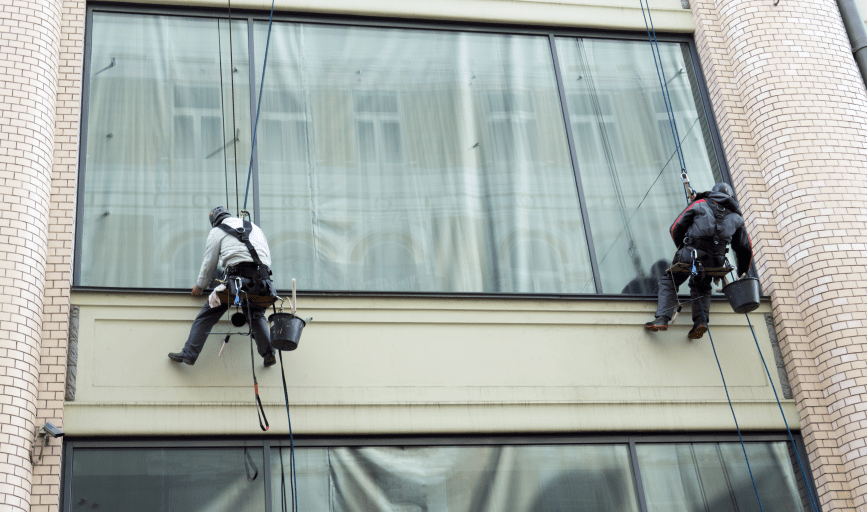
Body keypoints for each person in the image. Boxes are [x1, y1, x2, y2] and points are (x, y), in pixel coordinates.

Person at [169, 206, 278, 366]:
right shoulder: (254, 227)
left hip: (237, 284)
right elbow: (266, 257)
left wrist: (199, 286)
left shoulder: (217, 231)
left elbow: (209, 265)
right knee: (255, 315)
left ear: (214, 222)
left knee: (206, 316)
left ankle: (189, 354)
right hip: (263, 283)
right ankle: (268, 354)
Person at [644, 182, 752, 339]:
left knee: (670, 280)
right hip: (716, 261)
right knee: (702, 285)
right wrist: (743, 273)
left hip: (690, 253)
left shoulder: (700, 204)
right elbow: (744, 249)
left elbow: (675, 228)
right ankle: (701, 322)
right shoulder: (737, 218)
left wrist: (682, 248)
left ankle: (662, 318)